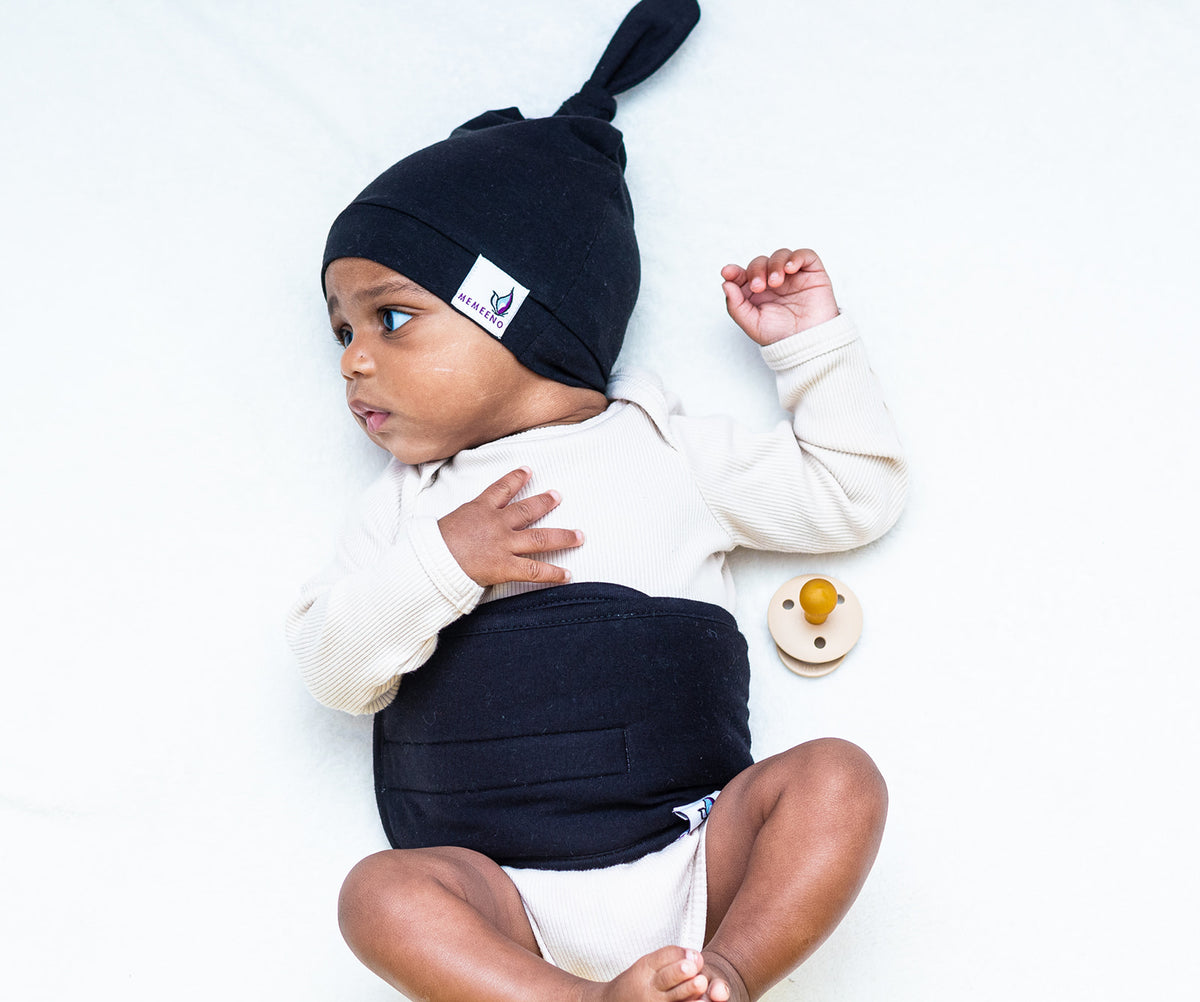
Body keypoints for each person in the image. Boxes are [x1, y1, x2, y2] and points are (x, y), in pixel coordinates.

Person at [287, 3, 906, 1000]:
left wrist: (810, 351)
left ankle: (727, 978)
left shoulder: (665, 451)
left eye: (391, 318)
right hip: (503, 895)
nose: (354, 361)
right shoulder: (412, 507)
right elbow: (330, 672)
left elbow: (851, 496)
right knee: (379, 896)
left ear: (514, 308)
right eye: (341, 333)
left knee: (839, 780)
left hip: (696, 850)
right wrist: (442, 563)